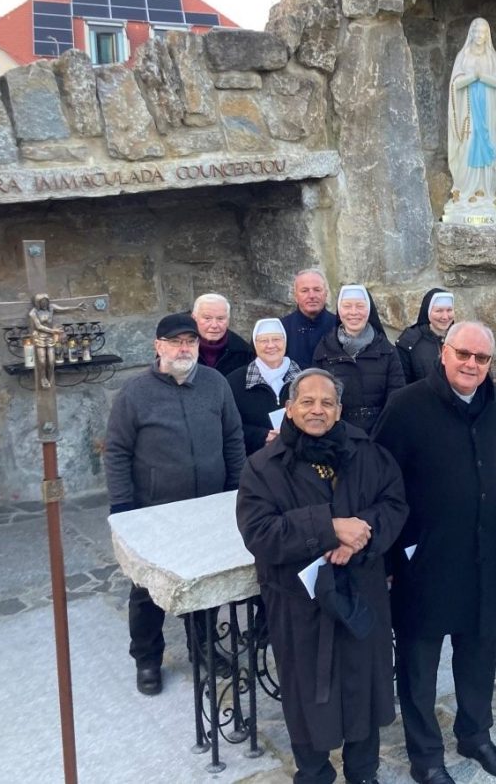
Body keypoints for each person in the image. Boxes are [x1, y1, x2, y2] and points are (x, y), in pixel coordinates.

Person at [237, 368, 408, 784]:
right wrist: (329, 528)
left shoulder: (368, 453)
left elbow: (394, 503)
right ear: (289, 408)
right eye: (308, 401)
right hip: (301, 603)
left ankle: (363, 772)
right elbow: (260, 532)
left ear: (339, 410)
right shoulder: (262, 467)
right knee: (307, 694)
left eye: (327, 403)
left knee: (364, 687)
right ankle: (314, 774)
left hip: (361, 589)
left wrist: (359, 535)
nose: (317, 410)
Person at [374, 322, 496, 784]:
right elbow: (380, 482)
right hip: (424, 559)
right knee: (419, 663)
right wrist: (387, 559)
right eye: (464, 354)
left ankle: (475, 734)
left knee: (479, 651)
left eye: (482, 358)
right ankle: (425, 756)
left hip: (485, 554)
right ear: (444, 352)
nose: (472, 364)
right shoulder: (406, 406)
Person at [105, 313, 245, 696]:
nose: (184, 349)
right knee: (146, 590)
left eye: (190, 341)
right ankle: (147, 659)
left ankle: (203, 647)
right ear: (158, 346)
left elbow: (233, 437)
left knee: (203, 582)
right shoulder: (135, 393)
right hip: (155, 511)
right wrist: (122, 507)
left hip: (208, 507)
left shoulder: (215, 384)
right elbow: (116, 451)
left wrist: (236, 490)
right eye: (175, 342)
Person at [313, 285, 405, 434]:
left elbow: (396, 399)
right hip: (337, 436)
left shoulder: (387, 351)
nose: (353, 312)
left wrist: (380, 433)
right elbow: (318, 399)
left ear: (369, 310)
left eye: (360, 306)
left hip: (380, 435)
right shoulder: (324, 350)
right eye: (347, 306)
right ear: (339, 310)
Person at [445, 18, 496, 208]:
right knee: (468, 143)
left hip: (487, 110)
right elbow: (455, 84)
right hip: (468, 110)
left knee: (486, 142)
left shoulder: (491, 57)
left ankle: (484, 189)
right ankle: (464, 189)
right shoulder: (463, 56)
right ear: (470, 33)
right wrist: (472, 77)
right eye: (476, 32)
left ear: (487, 35)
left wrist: (483, 77)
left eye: (483, 32)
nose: (479, 35)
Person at [227, 318, 302, 456]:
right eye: (263, 341)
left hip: (299, 456)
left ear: (285, 342)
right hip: (255, 460)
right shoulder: (235, 381)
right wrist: (262, 436)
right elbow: (228, 425)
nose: (271, 345)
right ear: (255, 345)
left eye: (276, 339)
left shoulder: (305, 378)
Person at [396, 289, 454, 384]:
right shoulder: (409, 342)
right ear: (427, 311)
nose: (445, 316)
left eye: (449, 310)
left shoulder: (461, 338)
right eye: (439, 311)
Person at [282, 269, 336, 369]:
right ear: (296, 296)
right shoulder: (282, 329)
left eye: (317, 290)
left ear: (326, 294)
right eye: (305, 291)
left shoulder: (339, 326)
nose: (312, 296)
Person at [192, 292, 255, 376]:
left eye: (220, 319)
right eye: (207, 318)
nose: (214, 325)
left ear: (228, 321)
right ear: (194, 318)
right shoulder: (182, 348)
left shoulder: (244, 352)